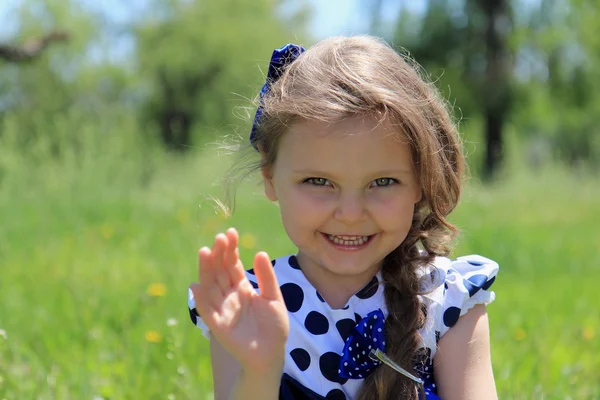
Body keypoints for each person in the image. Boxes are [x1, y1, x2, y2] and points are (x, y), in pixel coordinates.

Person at [188, 35, 499, 400]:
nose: (350, 214)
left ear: (421, 181)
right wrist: (260, 369)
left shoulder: (448, 300)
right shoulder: (247, 305)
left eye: (383, 182)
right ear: (270, 177)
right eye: (318, 181)